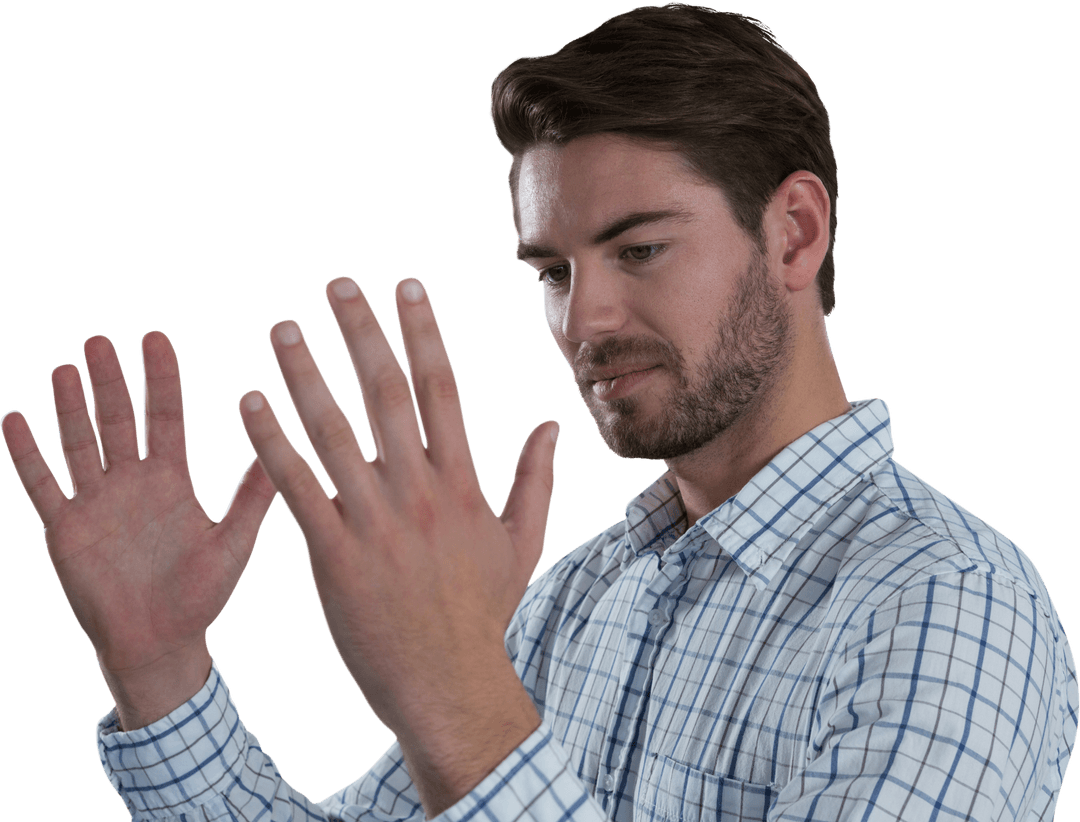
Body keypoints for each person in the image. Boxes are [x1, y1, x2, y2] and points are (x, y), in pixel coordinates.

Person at [2, 4, 1076, 821]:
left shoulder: (949, 607)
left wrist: (461, 701)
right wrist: (158, 668)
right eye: (553, 271)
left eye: (639, 249)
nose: (585, 318)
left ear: (795, 234)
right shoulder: (576, 601)